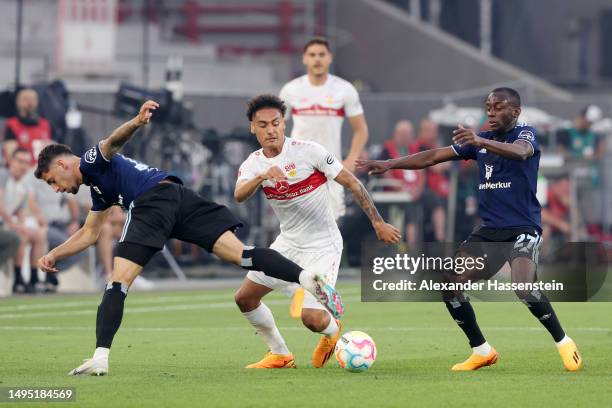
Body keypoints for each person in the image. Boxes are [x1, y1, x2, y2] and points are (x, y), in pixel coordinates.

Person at [34, 100, 344, 376]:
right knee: (244, 255)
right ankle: (306, 278)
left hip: (151, 202)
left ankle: (100, 357)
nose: (56, 188)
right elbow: (89, 233)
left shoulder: (88, 161)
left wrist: (137, 122)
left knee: (117, 283)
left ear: (62, 164)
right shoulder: (99, 188)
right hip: (178, 198)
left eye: (51, 180)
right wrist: (54, 255)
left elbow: (111, 142)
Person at [357, 87, 582, 372]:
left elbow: (522, 153)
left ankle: (563, 342)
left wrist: (478, 141)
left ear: (516, 111)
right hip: (489, 232)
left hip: (523, 228)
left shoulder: (525, 134)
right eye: (488, 106)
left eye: (498, 106)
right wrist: (390, 163)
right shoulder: (482, 140)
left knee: (523, 286)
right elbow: (432, 157)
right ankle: (482, 351)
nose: (491, 111)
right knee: (450, 283)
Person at [234, 95, 400, 369]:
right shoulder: (253, 164)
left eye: (276, 123)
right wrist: (262, 176)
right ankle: (280, 354)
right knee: (244, 298)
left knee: (311, 320)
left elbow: (353, 183)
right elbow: (239, 195)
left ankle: (333, 331)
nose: (271, 130)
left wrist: (377, 222)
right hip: (287, 245)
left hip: (323, 246)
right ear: (253, 128)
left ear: (284, 124)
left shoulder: (308, 151)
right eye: (263, 125)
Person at [280, 36, 369, 316]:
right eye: (312, 54)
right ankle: (302, 284)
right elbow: (277, 126)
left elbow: (361, 129)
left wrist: (351, 159)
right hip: (296, 169)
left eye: (322, 54)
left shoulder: (343, 90)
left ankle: (320, 285)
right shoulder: (291, 90)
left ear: (329, 58)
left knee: (329, 228)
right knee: (296, 228)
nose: (317, 59)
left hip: (329, 168)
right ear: (304, 59)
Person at [0, 148, 48, 293]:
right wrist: (16, 226)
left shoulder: (24, 185)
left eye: (26, 162)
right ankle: (18, 278)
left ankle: (34, 278)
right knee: (21, 235)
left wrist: (21, 225)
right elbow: (1, 205)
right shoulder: (3, 175)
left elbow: (20, 211)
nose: (23, 165)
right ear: (11, 161)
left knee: (38, 235)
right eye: (19, 161)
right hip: (4, 223)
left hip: (7, 223)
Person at [378, 120, 425, 244]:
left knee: (433, 201)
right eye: (402, 134)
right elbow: (385, 173)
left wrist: (418, 190)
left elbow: (422, 172)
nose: (405, 137)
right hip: (395, 194)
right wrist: (401, 189)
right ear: (396, 134)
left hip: (415, 192)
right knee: (408, 210)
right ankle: (405, 249)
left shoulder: (417, 148)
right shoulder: (387, 149)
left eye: (408, 134)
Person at [3, 88, 55, 165]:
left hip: (42, 170)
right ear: (18, 102)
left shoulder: (46, 124)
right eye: (25, 99)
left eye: (33, 99)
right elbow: (11, 156)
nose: (30, 102)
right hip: (23, 170)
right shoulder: (12, 124)